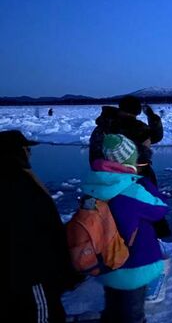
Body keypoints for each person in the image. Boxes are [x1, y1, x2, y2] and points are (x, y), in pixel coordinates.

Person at [81, 134, 169, 323]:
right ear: (129, 161)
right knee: (132, 315)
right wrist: (145, 183)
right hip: (133, 264)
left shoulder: (92, 185)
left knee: (113, 307)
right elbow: (160, 209)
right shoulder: (133, 190)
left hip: (105, 261)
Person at [5, 130, 81, 323]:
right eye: (26, 148)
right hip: (30, 273)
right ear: (16, 151)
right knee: (43, 314)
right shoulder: (17, 183)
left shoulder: (17, 177)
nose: (30, 153)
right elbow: (33, 229)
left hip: (27, 269)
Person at [89, 95, 163, 185]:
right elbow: (155, 137)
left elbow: (95, 156)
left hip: (104, 177)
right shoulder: (138, 128)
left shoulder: (102, 127)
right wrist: (152, 117)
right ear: (137, 111)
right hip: (134, 177)